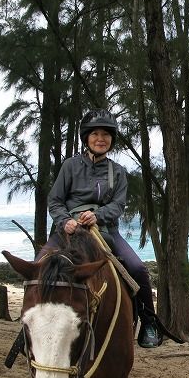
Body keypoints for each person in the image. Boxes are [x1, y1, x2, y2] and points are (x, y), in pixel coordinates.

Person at [36, 108, 162, 348]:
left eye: (106, 134)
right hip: (68, 230)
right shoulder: (70, 166)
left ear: (112, 139)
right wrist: (65, 221)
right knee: (38, 265)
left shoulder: (118, 172)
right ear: (87, 138)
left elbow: (118, 205)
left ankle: (149, 322)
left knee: (138, 269)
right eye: (95, 134)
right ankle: (30, 325)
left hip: (105, 231)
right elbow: (55, 200)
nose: (100, 139)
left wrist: (98, 216)